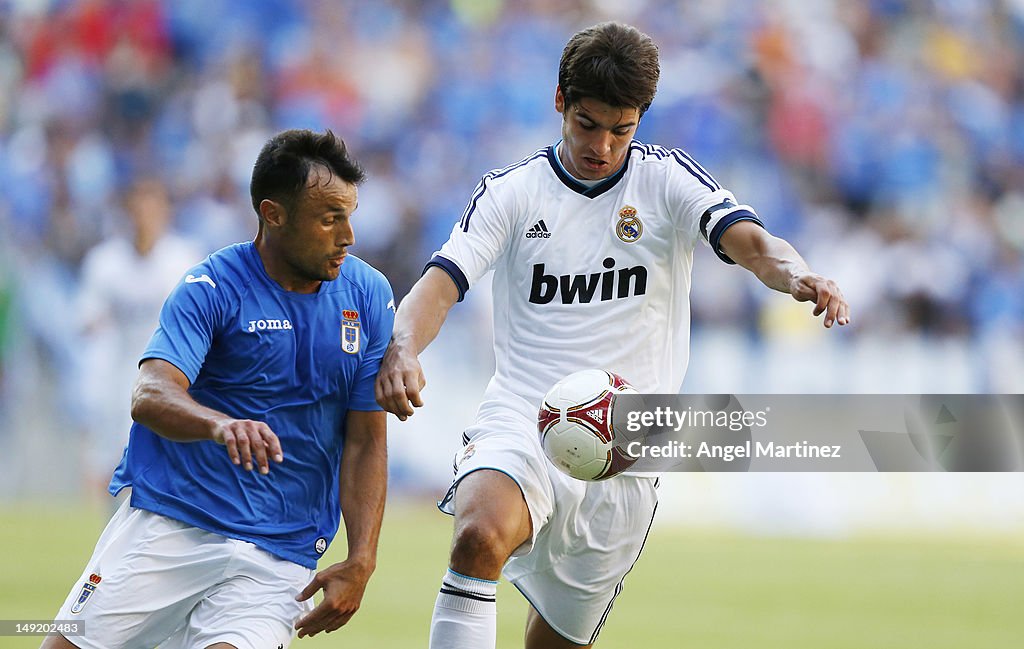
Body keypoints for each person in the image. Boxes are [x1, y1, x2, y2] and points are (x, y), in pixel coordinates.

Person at [375, 21, 849, 649]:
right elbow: (441, 282)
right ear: (560, 103)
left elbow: (755, 244)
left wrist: (797, 274)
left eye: (621, 129)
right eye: (587, 124)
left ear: (641, 118)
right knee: (478, 536)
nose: (603, 144)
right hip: (527, 413)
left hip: (629, 448)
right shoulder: (513, 192)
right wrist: (404, 344)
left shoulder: (668, 181)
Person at [43, 129, 395, 649]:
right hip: (172, 524)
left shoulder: (368, 294)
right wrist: (219, 424)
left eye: (350, 215)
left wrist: (362, 559)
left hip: (278, 554)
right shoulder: (212, 286)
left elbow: (366, 438)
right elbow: (150, 395)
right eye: (329, 219)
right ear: (273, 214)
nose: (348, 236)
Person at [75, 178, 202, 505]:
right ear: (127, 212)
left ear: (165, 212)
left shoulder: (184, 261)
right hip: (120, 374)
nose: (144, 217)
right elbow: (87, 318)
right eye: (138, 209)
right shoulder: (105, 262)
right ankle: (110, 535)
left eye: (152, 208)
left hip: (171, 373)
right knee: (114, 459)